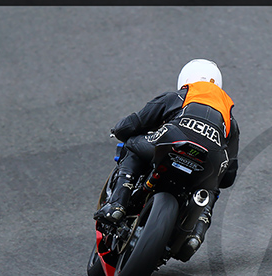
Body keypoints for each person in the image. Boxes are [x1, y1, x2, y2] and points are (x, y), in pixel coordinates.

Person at [94, 58, 239, 253]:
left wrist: (119, 130)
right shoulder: (230, 120)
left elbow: (135, 123)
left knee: (132, 144)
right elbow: (229, 175)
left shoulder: (179, 96)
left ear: (186, 78)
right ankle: (195, 234)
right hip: (210, 159)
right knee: (210, 188)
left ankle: (117, 205)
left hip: (173, 142)